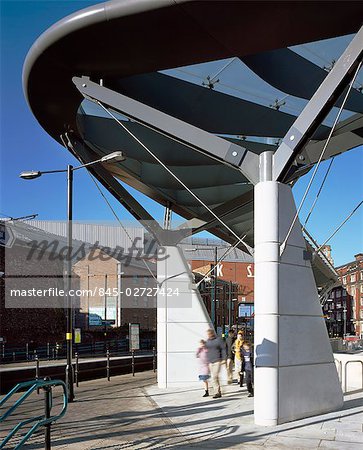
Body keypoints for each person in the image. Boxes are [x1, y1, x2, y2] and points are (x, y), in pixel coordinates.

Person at [205, 329, 226, 398]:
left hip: (217, 360)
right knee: (214, 377)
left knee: (214, 376)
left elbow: (223, 349)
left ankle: (217, 392)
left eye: (209, 334)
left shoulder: (218, 340)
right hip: (210, 361)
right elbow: (206, 350)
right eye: (208, 334)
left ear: (212, 333)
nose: (208, 335)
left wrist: (224, 359)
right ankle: (218, 391)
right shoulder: (207, 341)